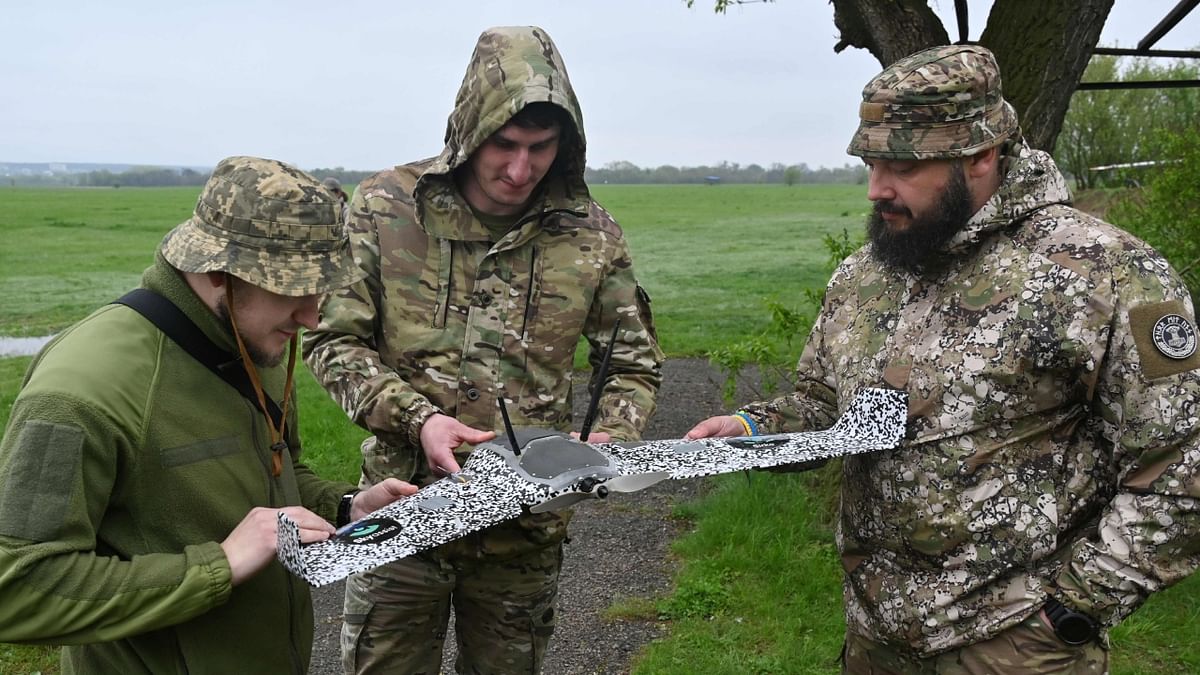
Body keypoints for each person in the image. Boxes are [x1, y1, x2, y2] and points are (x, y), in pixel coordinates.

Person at [687, 45, 1200, 673]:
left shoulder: (1106, 273)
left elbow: (1181, 462)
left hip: (1015, 645)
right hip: (874, 638)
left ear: (981, 154)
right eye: (872, 163)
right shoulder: (868, 273)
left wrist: (1074, 608)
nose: (877, 190)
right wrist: (748, 430)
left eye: (902, 165)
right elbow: (824, 405)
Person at [304, 25, 663, 674]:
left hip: (524, 530)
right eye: (505, 144)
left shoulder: (592, 233)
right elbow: (332, 339)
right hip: (404, 509)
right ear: (471, 126)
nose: (520, 169)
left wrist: (610, 437)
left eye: (541, 147)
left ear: (567, 142)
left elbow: (632, 364)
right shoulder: (388, 208)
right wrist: (419, 419)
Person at [0, 156, 418, 673]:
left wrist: (345, 507)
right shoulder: (81, 390)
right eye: (293, 288)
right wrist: (218, 566)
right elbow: (18, 587)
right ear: (220, 272)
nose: (311, 317)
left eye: (321, 290)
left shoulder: (250, 341)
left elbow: (269, 476)